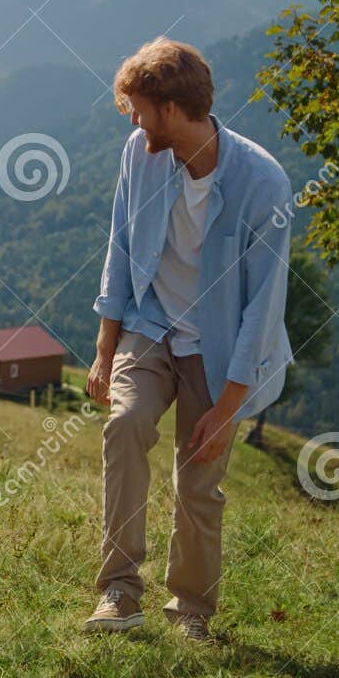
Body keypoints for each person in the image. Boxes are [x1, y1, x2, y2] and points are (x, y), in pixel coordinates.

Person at [85, 37, 293, 640]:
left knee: (198, 477)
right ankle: (120, 592)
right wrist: (104, 351)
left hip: (220, 347)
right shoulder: (140, 153)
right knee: (124, 426)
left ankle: (192, 612)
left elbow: (262, 308)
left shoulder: (264, 185)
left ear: (171, 110)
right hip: (150, 327)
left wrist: (228, 410)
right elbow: (120, 249)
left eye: (138, 107)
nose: (132, 118)